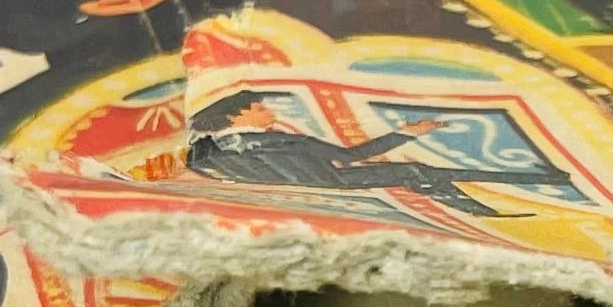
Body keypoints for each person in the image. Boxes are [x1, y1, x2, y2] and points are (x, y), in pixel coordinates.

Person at [184, 90, 510, 216]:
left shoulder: (209, 150)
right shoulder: (280, 140)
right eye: (260, 108)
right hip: (331, 179)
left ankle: (481, 208)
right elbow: (349, 156)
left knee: (418, 174)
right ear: (238, 116)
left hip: (302, 190)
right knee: (415, 172)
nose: (269, 111)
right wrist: (409, 132)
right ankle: (484, 209)